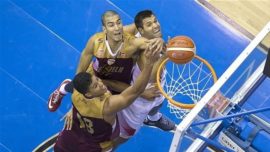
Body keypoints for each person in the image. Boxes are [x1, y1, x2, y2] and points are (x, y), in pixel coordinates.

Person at [47, 10, 164, 111]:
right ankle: (63, 89)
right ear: (104, 29)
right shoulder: (95, 42)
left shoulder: (132, 42)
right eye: (111, 25)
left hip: (120, 78)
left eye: (119, 23)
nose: (117, 28)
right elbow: (79, 74)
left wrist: (159, 41)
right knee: (81, 93)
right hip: (97, 77)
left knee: (117, 106)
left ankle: (152, 117)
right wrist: (76, 102)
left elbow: (151, 43)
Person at [54, 46, 161, 152]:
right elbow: (136, 91)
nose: (101, 84)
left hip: (69, 138)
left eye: (97, 80)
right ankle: (63, 89)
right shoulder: (107, 106)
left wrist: (73, 108)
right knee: (122, 138)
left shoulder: (77, 93)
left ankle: (62, 90)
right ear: (89, 94)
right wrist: (149, 64)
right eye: (95, 86)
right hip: (93, 146)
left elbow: (87, 68)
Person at [107, 10, 176, 147]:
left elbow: (134, 24)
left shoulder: (136, 32)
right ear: (141, 30)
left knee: (158, 102)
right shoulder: (143, 53)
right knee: (125, 136)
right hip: (138, 99)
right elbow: (152, 78)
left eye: (155, 21)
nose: (156, 26)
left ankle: (153, 118)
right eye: (149, 25)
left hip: (152, 91)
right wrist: (166, 56)